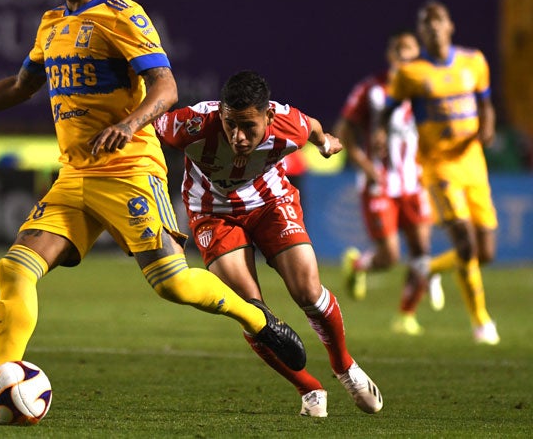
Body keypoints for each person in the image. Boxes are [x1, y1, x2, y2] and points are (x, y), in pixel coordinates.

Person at [0, 0, 306, 414]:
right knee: (14, 268)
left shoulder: (123, 17)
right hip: (75, 176)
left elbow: (165, 87)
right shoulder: (52, 22)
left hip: (130, 171)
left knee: (173, 284)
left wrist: (130, 122)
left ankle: (260, 321)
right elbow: (19, 87)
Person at [155, 70, 384, 418]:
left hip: (270, 202)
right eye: (231, 124)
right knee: (252, 311)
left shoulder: (288, 124)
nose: (239, 136)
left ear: (269, 117)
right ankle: (308, 388)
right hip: (212, 213)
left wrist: (325, 144)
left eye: (249, 126)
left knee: (308, 291)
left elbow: (314, 127)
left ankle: (344, 366)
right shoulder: (193, 124)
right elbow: (148, 126)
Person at [379, 0, 500, 345]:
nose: (433, 27)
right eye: (426, 23)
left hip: (473, 163)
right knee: (464, 241)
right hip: (438, 166)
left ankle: (429, 269)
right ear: (421, 32)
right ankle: (482, 323)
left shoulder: (473, 61)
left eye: (438, 21)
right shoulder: (410, 73)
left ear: (450, 26)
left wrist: (488, 127)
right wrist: (379, 134)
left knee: (485, 252)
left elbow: (487, 105)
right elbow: (389, 111)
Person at [334, 30, 444, 336]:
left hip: (414, 183)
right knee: (390, 257)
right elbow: (344, 128)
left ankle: (406, 315)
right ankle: (359, 265)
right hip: (380, 183)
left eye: (411, 51)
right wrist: (365, 165)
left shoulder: (425, 89)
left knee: (422, 249)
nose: (406, 57)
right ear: (391, 55)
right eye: (401, 51)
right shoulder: (372, 89)